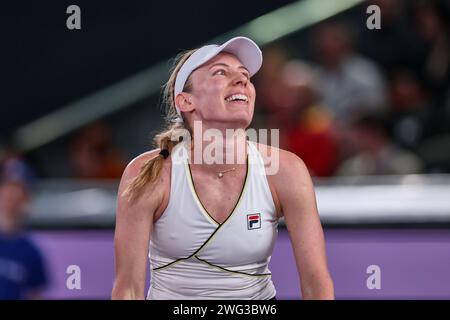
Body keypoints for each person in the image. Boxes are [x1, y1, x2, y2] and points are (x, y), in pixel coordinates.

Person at [112, 37, 334, 300]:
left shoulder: (287, 170)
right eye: (220, 72)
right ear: (185, 102)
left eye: (245, 76)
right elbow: (128, 289)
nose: (242, 81)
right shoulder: (148, 173)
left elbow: (317, 285)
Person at [0, 156, 48, 299]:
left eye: (19, 191)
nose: (12, 196)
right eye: (8, 188)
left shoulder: (30, 251)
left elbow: (36, 294)